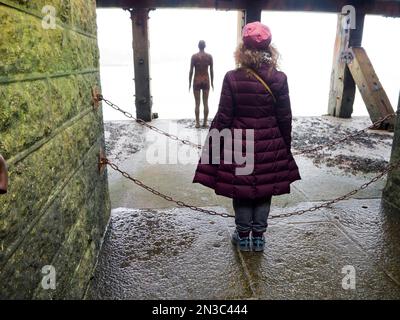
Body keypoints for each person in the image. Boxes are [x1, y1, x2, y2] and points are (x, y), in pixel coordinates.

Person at [193, 22, 301, 252]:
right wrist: (284, 146)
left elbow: (223, 117)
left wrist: (212, 148)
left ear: (242, 49)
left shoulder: (232, 78)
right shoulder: (280, 79)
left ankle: (242, 236)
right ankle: (259, 237)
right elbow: (285, 117)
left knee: (241, 191)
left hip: (239, 145)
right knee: (264, 190)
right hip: (270, 143)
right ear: (269, 50)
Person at [189, 40, 214, 128]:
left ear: (198, 46)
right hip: (206, 80)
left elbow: (191, 71)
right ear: (205, 46)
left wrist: (189, 83)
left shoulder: (194, 57)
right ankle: (205, 122)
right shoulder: (209, 57)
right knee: (206, 103)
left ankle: (197, 123)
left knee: (197, 103)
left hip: (197, 80)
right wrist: (212, 82)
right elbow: (211, 71)